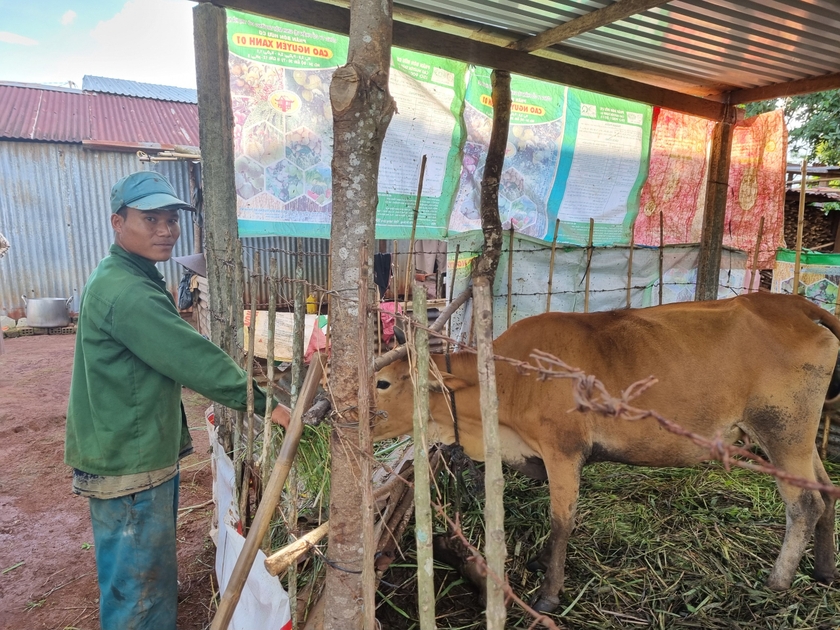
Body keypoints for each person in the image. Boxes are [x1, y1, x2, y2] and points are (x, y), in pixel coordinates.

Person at [65, 171, 289, 630]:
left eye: (171, 219)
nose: (166, 230)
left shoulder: (126, 276)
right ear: (117, 222)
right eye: (151, 219)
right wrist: (267, 404)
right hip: (129, 461)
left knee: (135, 581)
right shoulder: (128, 292)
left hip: (124, 449)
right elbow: (193, 358)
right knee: (141, 595)